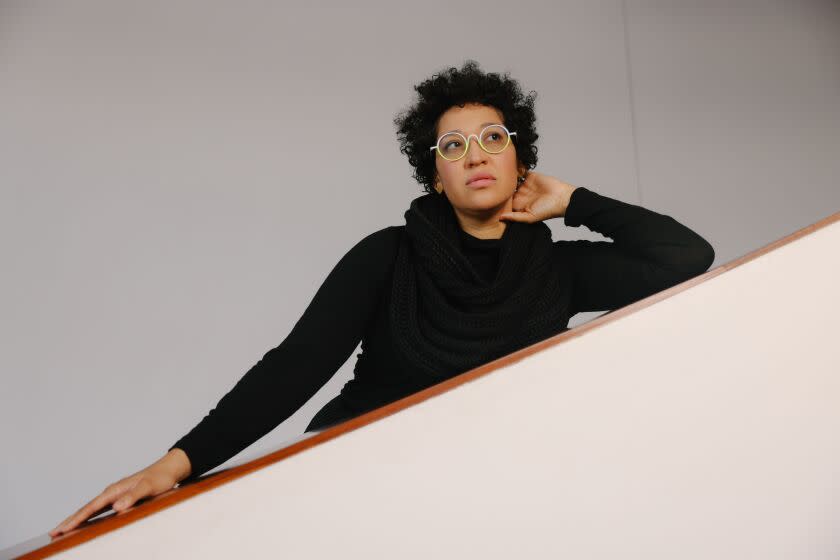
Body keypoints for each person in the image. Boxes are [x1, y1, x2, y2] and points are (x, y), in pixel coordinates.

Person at [50, 59, 714, 537]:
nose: (475, 154)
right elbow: (295, 366)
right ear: (436, 173)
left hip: (474, 501)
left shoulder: (558, 273)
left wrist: (575, 203)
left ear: (519, 160)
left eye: (493, 138)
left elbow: (685, 257)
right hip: (355, 481)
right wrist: (174, 464)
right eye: (453, 146)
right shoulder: (387, 256)